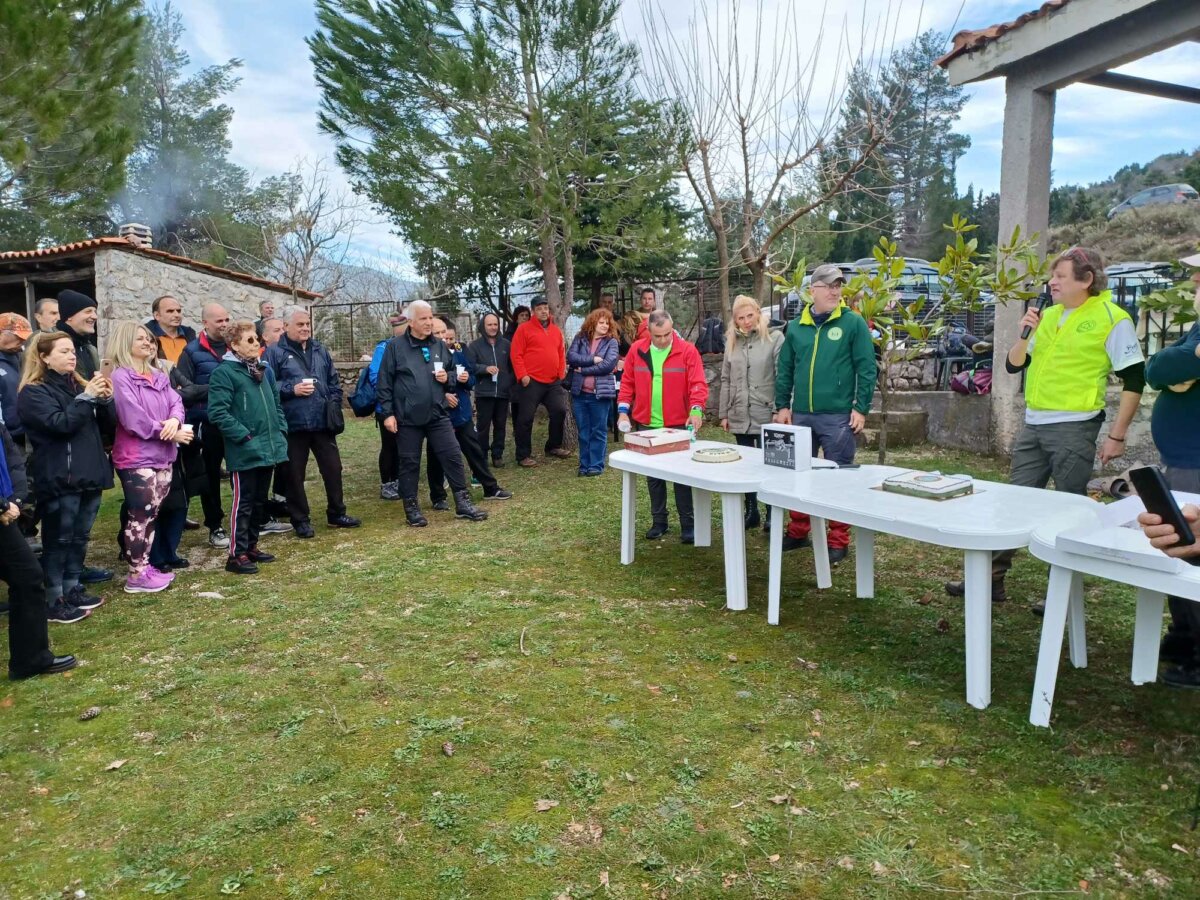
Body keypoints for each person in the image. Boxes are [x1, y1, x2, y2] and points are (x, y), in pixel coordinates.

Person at [945, 246, 1145, 609]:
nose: (1051, 282)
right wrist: (1025, 333)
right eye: (1052, 276)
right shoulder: (1048, 316)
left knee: (1069, 509)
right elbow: (1012, 366)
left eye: (1060, 276)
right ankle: (991, 579)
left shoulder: (1112, 318)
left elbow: (1134, 379)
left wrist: (1117, 434)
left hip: (1074, 427)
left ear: (1086, 280)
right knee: (1014, 502)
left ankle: (1061, 593)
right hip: (1034, 424)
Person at [773, 265, 876, 564]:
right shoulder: (796, 327)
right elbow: (786, 369)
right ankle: (798, 530)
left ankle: (838, 538)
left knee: (839, 476)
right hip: (802, 414)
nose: (835, 291)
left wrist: (861, 407)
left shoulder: (852, 323)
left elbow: (867, 368)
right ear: (812, 289)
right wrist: (783, 405)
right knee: (798, 474)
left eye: (838, 286)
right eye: (829, 286)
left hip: (838, 416)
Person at [1135, 251, 1200, 689]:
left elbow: (1171, 367)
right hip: (1181, 461)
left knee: (1192, 558)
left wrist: (1181, 363)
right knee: (1178, 551)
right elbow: (1158, 368)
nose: (1194, 287)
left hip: (1195, 464)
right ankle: (1183, 637)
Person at [18, 332, 115, 623]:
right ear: (44, 357)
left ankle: (73, 587)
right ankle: (53, 598)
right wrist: (87, 399)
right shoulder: (33, 392)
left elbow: (108, 428)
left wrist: (106, 400)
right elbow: (60, 425)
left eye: (72, 351)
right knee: (59, 537)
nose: (72, 356)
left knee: (81, 534)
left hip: (90, 471)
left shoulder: (80, 386)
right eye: (63, 352)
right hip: (60, 475)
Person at [375, 300, 487, 526]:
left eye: (430, 318)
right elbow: (384, 383)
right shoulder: (395, 347)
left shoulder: (438, 345)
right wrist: (387, 413)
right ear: (411, 322)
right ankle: (412, 509)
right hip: (408, 418)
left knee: (453, 455)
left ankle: (463, 503)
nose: (428, 322)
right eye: (423, 319)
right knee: (409, 462)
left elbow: (453, 373)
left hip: (438, 414)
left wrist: (450, 379)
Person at [109, 321, 193, 593]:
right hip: (136, 458)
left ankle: (145, 566)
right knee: (139, 516)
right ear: (125, 343)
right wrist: (166, 431)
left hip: (163, 455)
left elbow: (176, 403)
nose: (148, 342)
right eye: (140, 339)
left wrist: (174, 421)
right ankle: (136, 574)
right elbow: (133, 418)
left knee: (153, 513)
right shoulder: (121, 377)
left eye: (149, 339)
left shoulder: (159, 375)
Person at [263, 306, 360, 537]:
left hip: (322, 422)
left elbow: (334, 382)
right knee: (294, 474)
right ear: (286, 327)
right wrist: (291, 389)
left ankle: (336, 513)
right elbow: (266, 385)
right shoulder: (274, 353)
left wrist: (333, 404)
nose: (305, 328)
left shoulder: (319, 349)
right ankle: (300, 519)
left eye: (307, 324)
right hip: (293, 424)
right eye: (300, 324)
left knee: (333, 469)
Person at [617, 310, 708, 543]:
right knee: (653, 477)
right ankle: (659, 522)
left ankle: (688, 524)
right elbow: (627, 384)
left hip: (677, 423)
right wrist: (623, 413)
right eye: (658, 336)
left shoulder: (687, 350)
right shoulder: (637, 350)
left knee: (681, 476)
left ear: (672, 327)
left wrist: (696, 410)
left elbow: (697, 383)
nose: (663, 340)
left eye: (667, 334)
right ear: (648, 331)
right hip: (646, 423)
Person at [207, 321, 290, 574]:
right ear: (234, 345)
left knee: (258, 502)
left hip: (269, 446)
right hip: (245, 449)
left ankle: (251, 545)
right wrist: (244, 436)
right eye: (250, 340)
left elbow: (276, 404)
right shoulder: (225, 373)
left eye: (257, 339)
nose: (257, 344)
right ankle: (236, 554)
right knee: (243, 503)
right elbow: (217, 412)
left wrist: (280, 429)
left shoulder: (264, 370)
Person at [2, 419, 77, 679]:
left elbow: (11, 457)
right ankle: (29, 659)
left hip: (5, 513)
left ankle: (29, 659)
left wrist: (15, 499)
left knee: (27, 578)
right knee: (27, 577)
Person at [428, 317, 512, 501]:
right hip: (439, 415)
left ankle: (490, 488)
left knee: (474, 451)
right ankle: (438, 496)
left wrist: (467, 380)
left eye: (448, 336)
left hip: (461, 413)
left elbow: (471, 379)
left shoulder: (457, 354)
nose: (445, 339)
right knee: (436, 454)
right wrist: (443, 397)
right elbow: (423, 385)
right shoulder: (427, 357)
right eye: (439, 334)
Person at [721, 295, 784, 529]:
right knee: (745, 465)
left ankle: (771, 513)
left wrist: (780, 409)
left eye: (750, 315)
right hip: (739, 411)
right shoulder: (732, 342)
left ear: (758, 312)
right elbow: (726, 379)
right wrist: (724, 413)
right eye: (741, 318)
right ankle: (751, 510)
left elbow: (781, 375)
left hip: (765, 411)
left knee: (769, 465)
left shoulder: (775, 338)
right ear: (735, 321)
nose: (746, 321)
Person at [175, 303, 233, 549]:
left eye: (227, 319)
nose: (224, 324)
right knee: (210, 476)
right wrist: (219, 388)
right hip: (206, 423)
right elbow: (184, 392)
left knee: (242, 472)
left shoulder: (237, 347)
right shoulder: (191, 351)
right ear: (205, 323)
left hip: (236, 422)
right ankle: (215, 525)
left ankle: (251, 517)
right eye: (218, 320)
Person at [511, 297, 569, 467]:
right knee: (526, 418)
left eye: (546, 308)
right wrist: (523, 375)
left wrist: (560, 372)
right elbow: (516, 354)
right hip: (532, 381)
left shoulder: (556, 331)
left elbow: (560, 352)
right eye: (539, 308)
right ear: (533, 311)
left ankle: (553, 446)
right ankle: (523, 455)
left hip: (553, 381)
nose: (544, 311)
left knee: (559, 411)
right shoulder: (524, 329)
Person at [567, 307, 619, 476]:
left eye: (607, 323)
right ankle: (584, 466)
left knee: (598, 430)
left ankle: (596, 466)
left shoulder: (611, 342)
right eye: (601, 322)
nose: (605, 326)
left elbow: (608, 365)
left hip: (600, 393)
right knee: (583, 431)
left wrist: (582, 370)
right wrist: (592, 359)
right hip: (580, 393)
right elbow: (571, 357)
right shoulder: (580, 338)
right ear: (593, 322)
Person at [368, 312, 409, 499]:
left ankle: (400, 481)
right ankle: (387, 483)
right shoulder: (383, 348)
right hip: (387, 407)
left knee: (404, 446)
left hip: (408, 407)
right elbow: (375, 376)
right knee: (389, 446)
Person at [466, 312, 514, 468]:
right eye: (489, 324)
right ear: (483, 326)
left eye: (495, 324)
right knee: (483, 426)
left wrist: (508, 383)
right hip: (484, 392)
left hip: (502, 392)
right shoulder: (474, 346)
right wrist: (485, 369)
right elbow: (470, 366)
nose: (493, 327)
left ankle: (497, 454)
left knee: (500, 425)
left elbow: (512, 367)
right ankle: (482, 455)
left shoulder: (506, 345)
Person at [55, 289, 101, 380]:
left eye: (95, 312)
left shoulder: (90, 348)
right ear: (69, 316)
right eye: (88, 311)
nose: (95, 316)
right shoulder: (51, 344)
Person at [0, 313, 31, 445]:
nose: (22, 342)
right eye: (17, 337)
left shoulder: (23, 356)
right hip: (5, 437)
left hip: (25, 433)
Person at [144, 295, 196, 366]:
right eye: (170, 311)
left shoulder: (189, 335)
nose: (177, 315)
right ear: (157, 315)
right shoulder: (146, 336)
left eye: (178, 311)